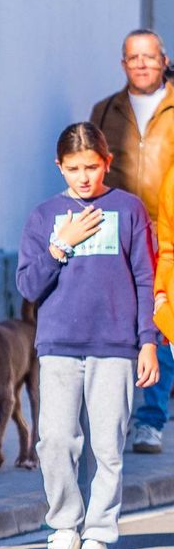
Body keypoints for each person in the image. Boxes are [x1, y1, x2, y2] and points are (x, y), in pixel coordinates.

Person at [18, 122, 158, 549]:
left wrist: (148, 341)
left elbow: (144, 278)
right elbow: (28, 285)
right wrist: (62, 243)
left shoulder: (129, 209)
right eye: (74, 168)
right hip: (59, 344)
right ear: (59, 166)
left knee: (107, 445)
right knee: (55, 440)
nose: (84, 177)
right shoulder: (44, 216)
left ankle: (98, 535)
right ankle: (64, 528)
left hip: (115, 345)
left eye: (92, 167)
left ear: (107, 163)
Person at [90, 30, 174, 453]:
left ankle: (151, 420)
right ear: (123, 64)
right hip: (119, 229)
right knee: (120, 320)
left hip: (168, 230)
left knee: (162, 319)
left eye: (149, 57)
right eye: (133, 57)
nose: (141, 64)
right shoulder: (105, 110)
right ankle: (115, 413)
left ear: (164, 61)